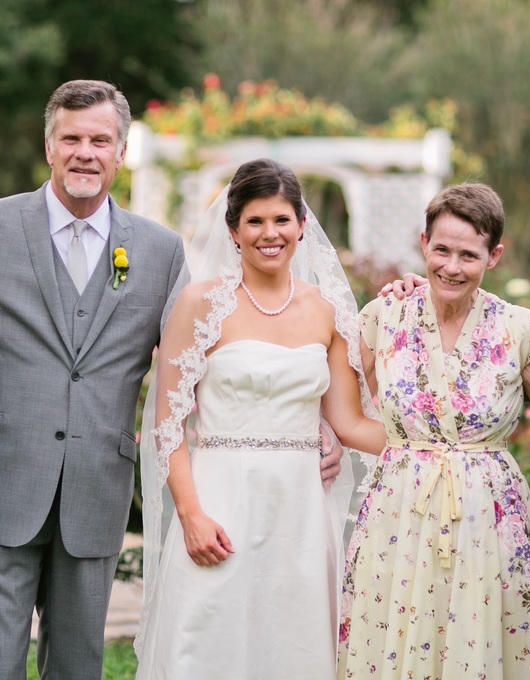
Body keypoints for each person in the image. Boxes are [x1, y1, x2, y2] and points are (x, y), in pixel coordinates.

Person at [0, 81, 345, 678]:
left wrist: (317, 421)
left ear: (121, 152)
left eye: (100, 140)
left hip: (97, 488)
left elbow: (212, 363)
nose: (85, 153)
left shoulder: (159, 251)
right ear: (49, 146)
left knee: (79, 667)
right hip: (3, 481)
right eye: (71, 139)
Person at [133, 158, 386, 679]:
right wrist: (191, 515)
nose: (270, 233)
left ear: (301, 225)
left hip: (300, 508)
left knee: (292, 642)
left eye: (281, 219)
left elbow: (349, 422)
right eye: (255, 221)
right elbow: (167, 425)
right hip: (220, 500)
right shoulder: (200, 304)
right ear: (233, 230)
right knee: (210, 637)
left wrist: (433, 445)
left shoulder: (327, 310)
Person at [339, 182, 530, 679]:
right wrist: (404, 454)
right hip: (398, 512)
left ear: (494, 256)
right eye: (441, 250)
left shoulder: (519, 329)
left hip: (488, 517)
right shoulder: (383, 317)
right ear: (423, 243)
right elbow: (344, 412)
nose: (452, 267)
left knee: (477, 641)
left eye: (468, 255)